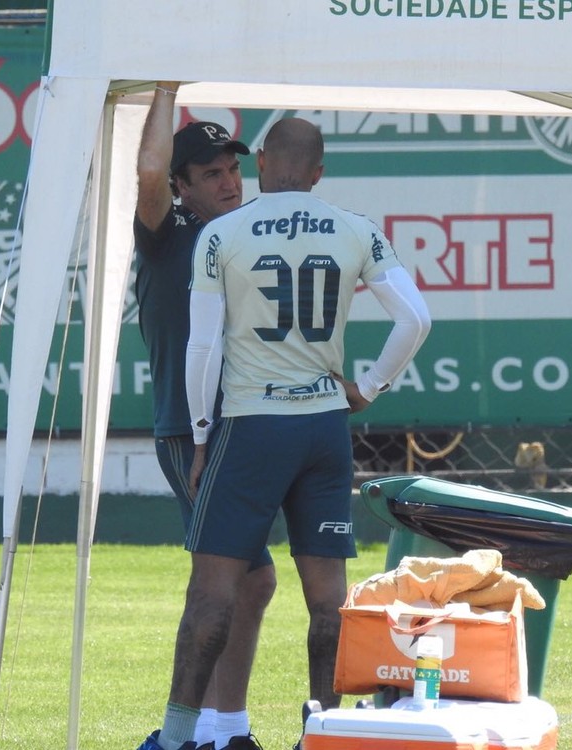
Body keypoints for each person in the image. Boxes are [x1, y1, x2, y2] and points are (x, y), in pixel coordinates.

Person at [140, 116, 432, 750]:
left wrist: (197, 434)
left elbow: (202, 347)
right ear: (320, 170)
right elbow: (415, 318)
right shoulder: (358, 228)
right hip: (325, 427)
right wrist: (370, 386)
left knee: (213, 592)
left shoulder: (221, 234)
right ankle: (322, 733)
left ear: (265, 161)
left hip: (250, 425)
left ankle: (179, 737)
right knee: (329, 600)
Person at [133, 82, 276, 750]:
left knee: (245, 584)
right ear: (185, 188)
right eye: (212, 174)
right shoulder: (170, 234)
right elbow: (149, 171)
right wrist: (167, 85)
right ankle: (197, 734)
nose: (228, 182)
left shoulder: (244, 236)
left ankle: (215, 731)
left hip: (240, 427)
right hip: (186, 430)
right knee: (239, 582)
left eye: (233, 169)